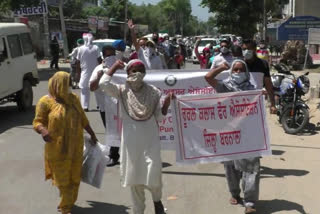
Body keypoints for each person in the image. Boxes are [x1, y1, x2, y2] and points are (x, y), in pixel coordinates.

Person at [99, 59, 172, 214]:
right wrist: (113, 67)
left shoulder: (153, 91)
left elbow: (159, 117)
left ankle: (157, 201)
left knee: (154, 171)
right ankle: (138, 210)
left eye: (140, 69)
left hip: (150, 138)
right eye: (133, 70)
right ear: (127, 73)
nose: (137, 73)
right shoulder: (121, 90)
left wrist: (166, 102)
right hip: (131, 141)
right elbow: (103, 84)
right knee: (134, 175)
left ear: (144, 73)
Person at [33, 71, 97, 214]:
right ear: (59, 84)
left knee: (75, 177)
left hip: (76, 147)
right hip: (57, 149)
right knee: (63, 180)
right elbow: (38, 121)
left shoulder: (73, 99)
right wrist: (43, 130)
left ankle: (67, 201)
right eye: (67, 83)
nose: (70, 86)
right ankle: (65, 207)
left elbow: (82, 118)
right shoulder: (45, 102)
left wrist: (92, 133)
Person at [204, 60, 259, 214]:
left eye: (241, 70)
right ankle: (234, 193)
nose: (238, 73)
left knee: (251, 168)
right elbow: (208, 77)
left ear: (247, 72)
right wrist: (221, 67)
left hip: (248, 134)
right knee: (231, 167)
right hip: (229, 133)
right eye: (235, 70)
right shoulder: (225, 86)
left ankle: (250, 202)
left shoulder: (252, 89)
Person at [89, 45, 120, 167]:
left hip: (121, 106)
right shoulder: (98, 69)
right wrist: (100, 76)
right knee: (111, 131)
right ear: (103, 56)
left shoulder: (122, 67)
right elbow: (92, 87)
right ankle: (114, 156)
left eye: (113, 55)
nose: (110, 57)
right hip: (105, 107)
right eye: (108, 55)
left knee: (125, 131)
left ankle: (128, 155)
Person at [241, 39, 276, 114]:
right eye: (244, 49)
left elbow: (268, 84)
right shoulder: (239, 64)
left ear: (254, 49)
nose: (246, 51)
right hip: (240, 103)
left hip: (256, 104)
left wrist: (273, 104)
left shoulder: (263, 64)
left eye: (248, 49)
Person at [76, 33, 101, 111]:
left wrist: (78, 73)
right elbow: (99, 60)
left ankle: (85, 107)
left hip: (84, 72)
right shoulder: (96, 48)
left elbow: (77, 62)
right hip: (95, 72)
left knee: (84, 90)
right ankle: (99, 105)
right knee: (97, 89)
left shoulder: (80, 49)